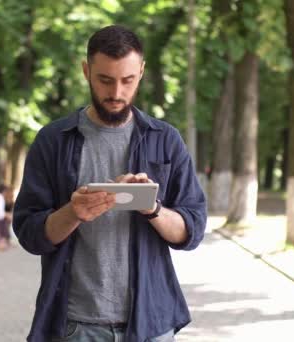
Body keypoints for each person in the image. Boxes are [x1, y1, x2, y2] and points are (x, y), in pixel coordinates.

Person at [12, 25, 206, 342]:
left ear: (141, 72)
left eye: (127, 80)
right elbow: (30, 234)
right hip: (75, 325)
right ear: (86, 71)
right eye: (105, 80)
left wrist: (152, 208)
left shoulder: (165, 140)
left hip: (150, 324)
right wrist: (73, 212)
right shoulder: (52, 141)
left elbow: (192, 231)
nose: (116, 92)